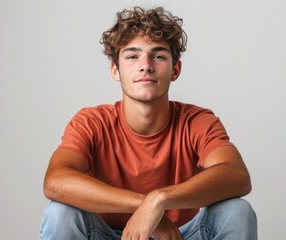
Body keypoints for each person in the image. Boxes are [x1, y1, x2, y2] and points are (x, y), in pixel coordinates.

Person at [40, 6, 257, 240]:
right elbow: (55, 182)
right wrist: (144, 206)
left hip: (178, 237)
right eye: (132, 56)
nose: (146, 65)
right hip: (106, 235)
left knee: (237, 211)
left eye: (159, 55)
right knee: (60, 212)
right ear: (115, 69)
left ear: (175, 69)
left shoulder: (197, 122)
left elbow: (236, 175)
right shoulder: (91, 122)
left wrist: (158, 199)